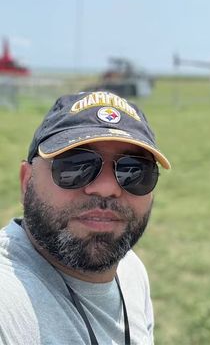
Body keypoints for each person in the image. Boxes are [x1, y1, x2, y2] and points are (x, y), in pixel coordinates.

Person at [0, 90, 171, 345]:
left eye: (134, 170)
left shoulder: (131, 271)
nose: (107, 188)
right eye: (75, 165)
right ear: (27, 182)